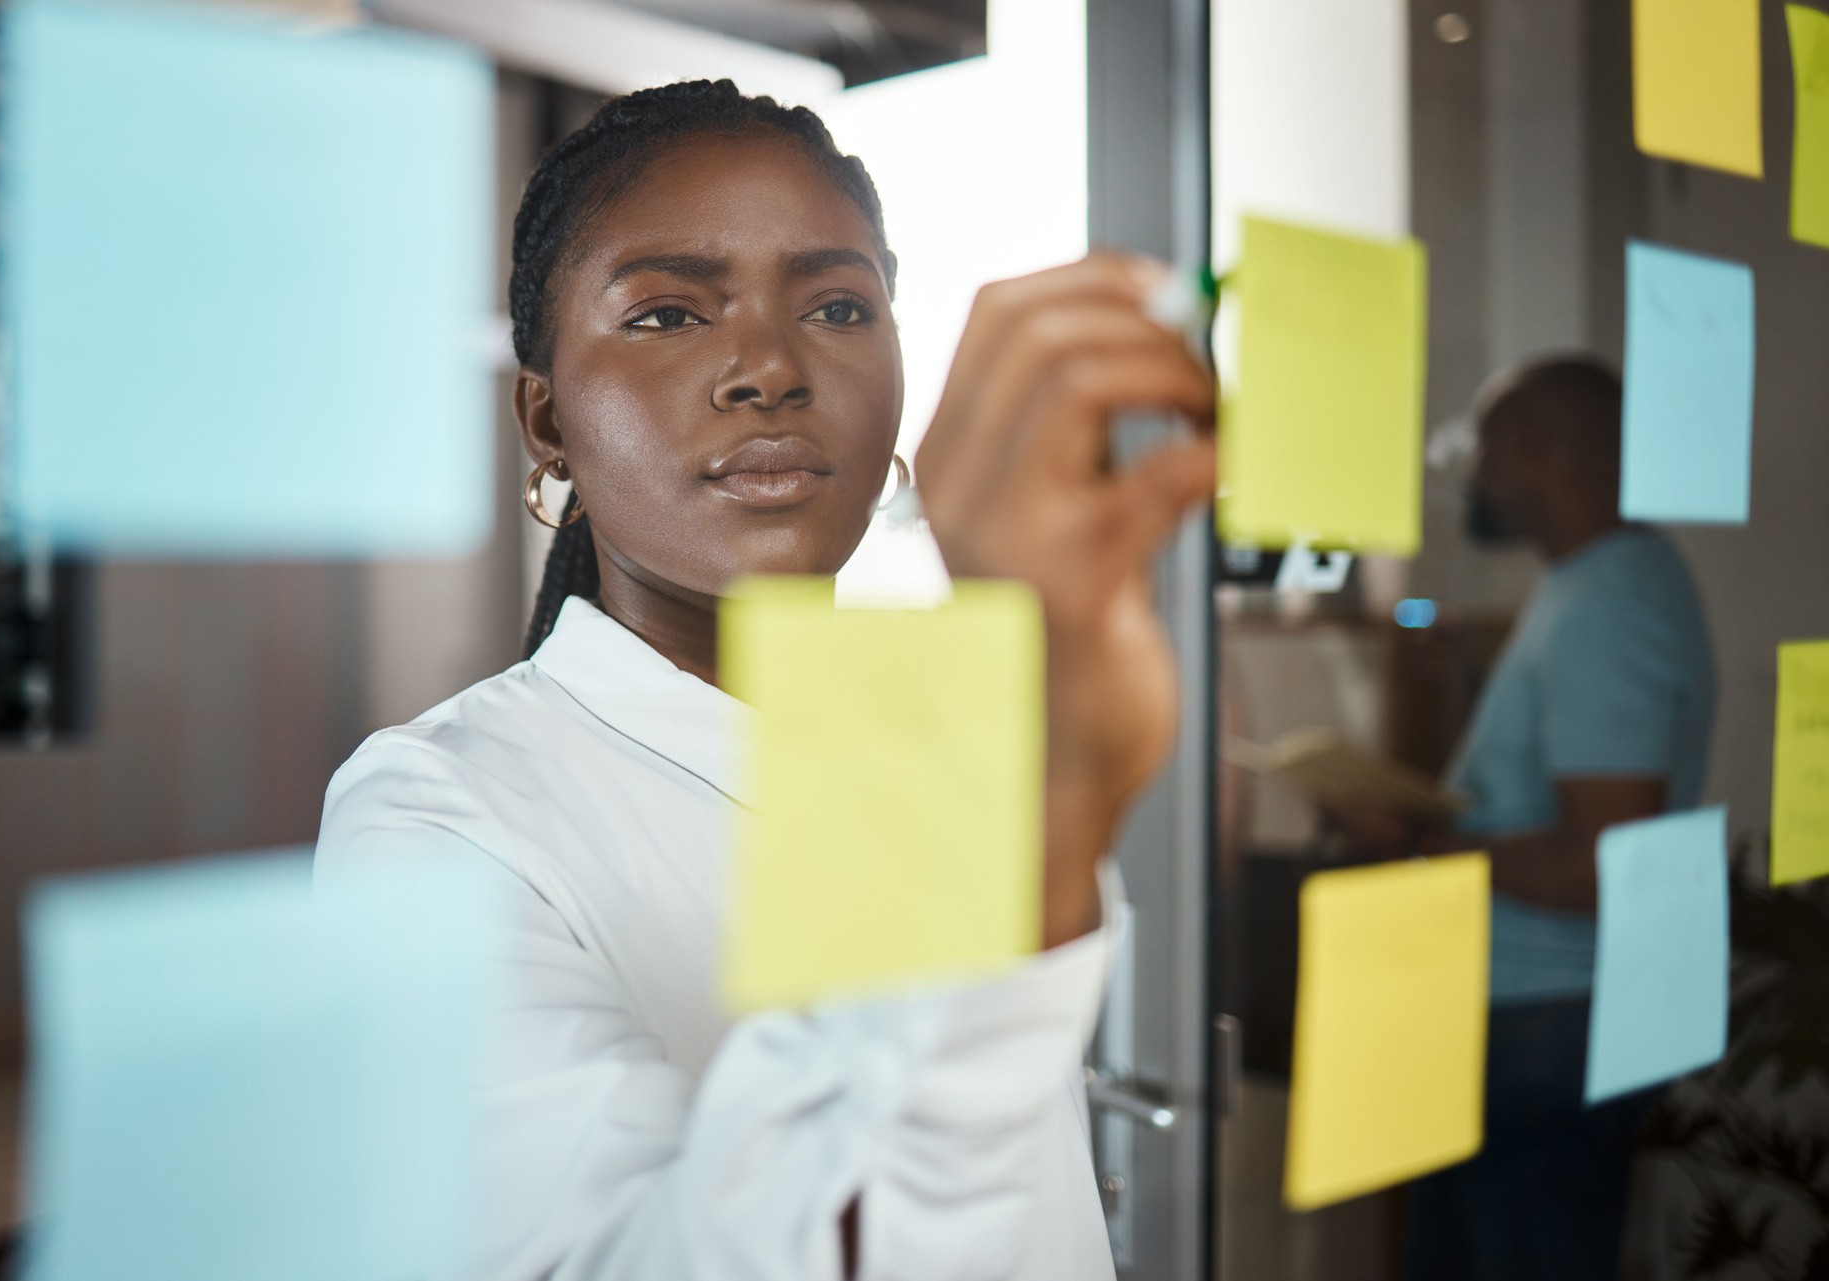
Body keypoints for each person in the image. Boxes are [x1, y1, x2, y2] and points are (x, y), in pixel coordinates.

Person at [314, 80, 1215, 1281]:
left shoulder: (925, 735)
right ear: (545, 422)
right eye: (669, 314)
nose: (767, 370)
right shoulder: (434, 816)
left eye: (838, 306)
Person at [1341, 357, 1716, 1280]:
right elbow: (1563, 789)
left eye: (1479, 447)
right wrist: (1466, 681)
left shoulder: (1606, 609)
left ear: (1535, 451)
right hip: (1543, 1022)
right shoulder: (1602, 583)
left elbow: (1599, 862)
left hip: (1542, 1034)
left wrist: (1422, 841)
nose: (1465, 471)